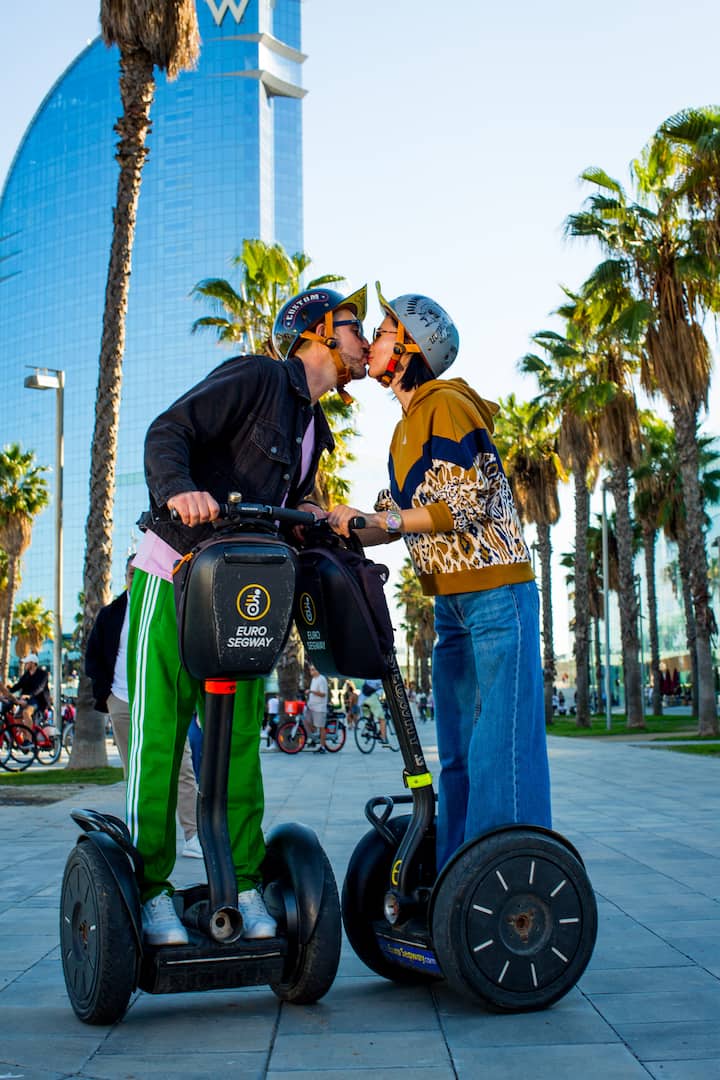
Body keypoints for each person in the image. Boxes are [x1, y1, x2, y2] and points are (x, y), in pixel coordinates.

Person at [128, 284, 369, 946]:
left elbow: (294, 502)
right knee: (159, 738)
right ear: (317, 331)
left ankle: (241, 883)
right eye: (354, 326)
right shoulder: (258, 377)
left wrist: (320, 517)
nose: (363, 339)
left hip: (241, 598)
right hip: (174, 574)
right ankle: (149, 892)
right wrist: (180, 490)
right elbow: (169, 430)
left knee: (237, 746)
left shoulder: (314, 427)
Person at [328, 284, 551, 871]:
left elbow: (465, 501)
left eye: (381, 332)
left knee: (499, 748)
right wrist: (337, 524)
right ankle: (457, 880)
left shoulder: (445, 404)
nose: (371, 341)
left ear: (410, 347)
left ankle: (507, 878)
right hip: (451, 605)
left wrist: (385, 520)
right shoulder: (404, 428)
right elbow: (394, 521)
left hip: (495, 592)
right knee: (455, 753)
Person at [85, 555, 202, 859]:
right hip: (122, 701)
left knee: (182, 768)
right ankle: (142, 838)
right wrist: (107, 694)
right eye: (130, 573)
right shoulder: (111, 614)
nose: (136, 579)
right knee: (135, 772)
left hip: (164, 703)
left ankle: (193, 835)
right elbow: (93, 657)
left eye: (141, 573)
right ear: (124, 577)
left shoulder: (168, 609)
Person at [0, 654, 50, 727]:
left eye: (27, 663)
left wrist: (29, 695)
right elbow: (18, 685)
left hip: (37, 700)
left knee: (26, 713)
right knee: (16, 717)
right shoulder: (26, 674)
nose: (25, 665)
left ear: (33, 663)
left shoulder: (43, 674)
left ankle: (29, 734)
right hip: (25, 700)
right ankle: (23, 733)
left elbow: (40, 688)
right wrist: (7, 693)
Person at [307, 663, 329, 753]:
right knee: (309, 723)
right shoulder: (314, 679)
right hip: (312, 706)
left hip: (320, 707)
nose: (311, 671)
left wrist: (311, 691)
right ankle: (314, 740)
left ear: (318, 670)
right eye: (310, 670)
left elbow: (323, 694)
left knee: (321, 727)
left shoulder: (321, 679)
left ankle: (323, 747)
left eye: (313, 669)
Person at [358, 677, 388, 744]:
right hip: (371, 698)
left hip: (362, 700)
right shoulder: (380, 678)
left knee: (368, 716)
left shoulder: (368, 676)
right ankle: (383, 738)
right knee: (382, 719)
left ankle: (368, 727)